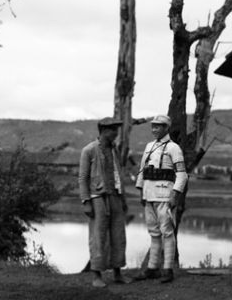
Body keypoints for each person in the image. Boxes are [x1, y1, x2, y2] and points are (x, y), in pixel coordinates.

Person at [135, 115, 188, 283]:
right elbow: (142, 170)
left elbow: (182, 175)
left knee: (167, 231)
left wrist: (175, 194)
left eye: (158, 126)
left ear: (166, 128)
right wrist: (141, 191)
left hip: (164, 195)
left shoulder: (174, 148)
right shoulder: (149, 147)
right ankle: (152, 268)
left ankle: (167, 269)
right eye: (153, 126)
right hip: (149, 194)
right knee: (153, 232)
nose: (154, 129)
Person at [78, 117, 130, 288]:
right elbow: (83, 178)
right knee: (98, 237)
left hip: (115, 196)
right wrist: (86, 201)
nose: (116, 133)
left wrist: (123, 199)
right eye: (112, 129)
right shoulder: (89, 150)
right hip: (97, 198)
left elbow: (118, 176)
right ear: (103, 130)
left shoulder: (115, 150)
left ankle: (117, 273)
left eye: (117, 129)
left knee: (118, 235)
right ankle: (96, 275)